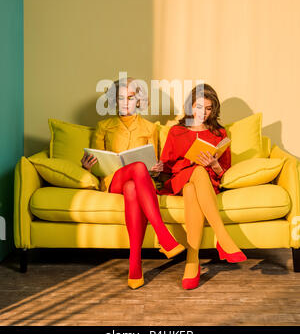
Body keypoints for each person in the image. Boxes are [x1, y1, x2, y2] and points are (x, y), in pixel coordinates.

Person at [81, 77, 185, 290]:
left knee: (133, 183)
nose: (126, 102)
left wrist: (157, 169)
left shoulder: (150, 128)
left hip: (139, 182)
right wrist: (86, 166)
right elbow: (95, 163)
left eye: (130, 97)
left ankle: (135, 264)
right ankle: (163, 235)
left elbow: (153, 167)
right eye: (121, 98)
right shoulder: (103, 126)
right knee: (136, 168)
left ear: (138, 100)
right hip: (112, 180)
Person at [158, 83, 247, 290]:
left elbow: (223, 172)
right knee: (195, 172)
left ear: (213, 109)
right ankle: (222, 237)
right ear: (190, 106)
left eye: (208, 109)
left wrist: (214, 164)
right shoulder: (177, 131)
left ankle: (192, 260)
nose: (203, 113)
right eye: (199, 107)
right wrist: (158, 168)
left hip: (206, 184)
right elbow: (166, 169)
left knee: (194, 185)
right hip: (179, 178)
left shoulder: (219, 133)